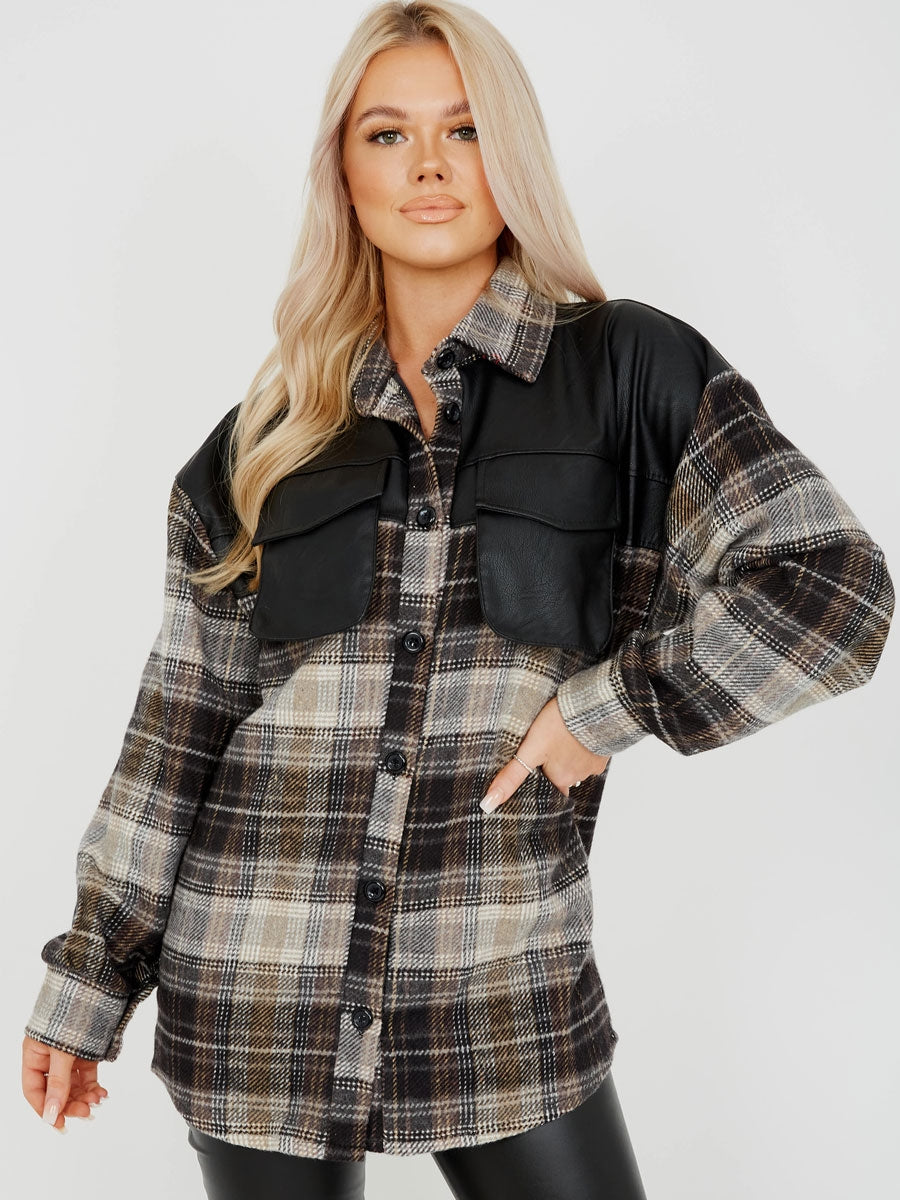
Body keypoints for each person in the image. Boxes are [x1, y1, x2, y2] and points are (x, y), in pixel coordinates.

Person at [21, 2, 894, 1198]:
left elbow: (835, 593)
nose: (428, 165)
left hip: (501, 992)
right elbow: (177, 734)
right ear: (344, 171)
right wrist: (86, 982)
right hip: (255, 995)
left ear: (511, 156)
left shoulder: (631, 372)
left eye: (466, 129)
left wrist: (602, 712)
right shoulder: (264, 440)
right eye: (387, 134)